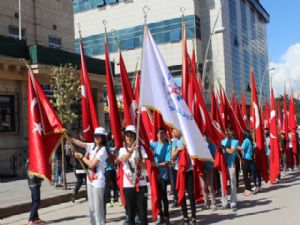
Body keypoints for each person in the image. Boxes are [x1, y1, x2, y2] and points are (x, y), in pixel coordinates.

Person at [72, 127, 108, 225]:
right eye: (95, 136)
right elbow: (77, 142)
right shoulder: (91, 146)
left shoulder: (103, 150)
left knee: (98, 206)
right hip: (90, 179)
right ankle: (93, 223)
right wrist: (65, 133)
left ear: (103, 137)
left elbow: (92, 164)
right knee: (91, 206)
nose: (96, 138)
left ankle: (100, 223)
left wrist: (82, 157)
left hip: (98, 180)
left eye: (99, 136)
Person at [119, 125, 148, 225]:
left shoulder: (141, 149)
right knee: (130, 213)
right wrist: (131, 150)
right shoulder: (122, 150)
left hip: (141, 184)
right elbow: (123, 159)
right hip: (128, 185)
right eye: (127, 135)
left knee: (143, 213)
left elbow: (145, 166)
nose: (128, 137)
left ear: (135, 136)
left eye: (131, 135)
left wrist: (139, 162)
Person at [171, 129, 196, 225]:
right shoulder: (174, 141)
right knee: (181, 194)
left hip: (189, 170)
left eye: (174, 131)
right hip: (179, 171)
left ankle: (193, 217)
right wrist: (178, 149)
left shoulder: (188, 138)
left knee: (190, 194)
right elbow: (172, 157)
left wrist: (188, 146)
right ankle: (185, 218)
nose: (173, 132)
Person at [150, 127, 171, 225]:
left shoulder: (168, 146)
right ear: (157, 134)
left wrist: (157, 165)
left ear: (165, 134)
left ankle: (166, 216)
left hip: (163, 174)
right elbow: (145, 146)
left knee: (163, 196)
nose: (161, 134)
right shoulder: (154, 144)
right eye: (159, 133)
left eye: (163, 133)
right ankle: (160, 215)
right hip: (154, 173)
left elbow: (167, 162)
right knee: (156, 196)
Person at [221, 127, 238, 211]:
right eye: (226, 130)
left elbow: (231, 151)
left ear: (231, 131)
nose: (227, 132)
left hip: (231, 164)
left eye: (229, 130)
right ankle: (224, 202)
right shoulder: (221, 141)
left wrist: (223, 148)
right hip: (223, 164)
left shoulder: (235, 141)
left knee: (233, 183)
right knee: (223, 183)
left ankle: (233, 202)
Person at [200, 133, 217, 211]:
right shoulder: (200, 145)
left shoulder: (212, 146)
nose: (206, 137)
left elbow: (214, 156)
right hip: (201, 167)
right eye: (204, 135)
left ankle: (214, 203)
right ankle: (206, 203)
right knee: (203, 186)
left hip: (209, 167)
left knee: (210, 185)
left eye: (207, 136)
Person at [71, 132, 86, 203]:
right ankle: (88, 194)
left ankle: (74, 192)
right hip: (83, 167)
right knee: (87, 182)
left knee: (79, 182)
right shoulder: (83, 147)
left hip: (78, 167)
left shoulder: (75, 148)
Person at [238, 130, 254, 197]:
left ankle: (249, 190)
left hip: (246, 158)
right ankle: (247, 189)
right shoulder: (249, 140)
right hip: (248, 158)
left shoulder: (246, 140)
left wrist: (235, 146)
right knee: (245, 175)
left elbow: (242, 148)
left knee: (245, 175)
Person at [169, 129, 178, 208]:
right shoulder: (171, 141)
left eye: (174, 131)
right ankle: (176, 199)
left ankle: (177, 199)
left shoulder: (176, 140)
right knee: (173, 183)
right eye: (172, 131)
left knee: (176, 183)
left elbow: (174, 152)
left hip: (176, 163)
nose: (173, 133)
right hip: (172, 164)